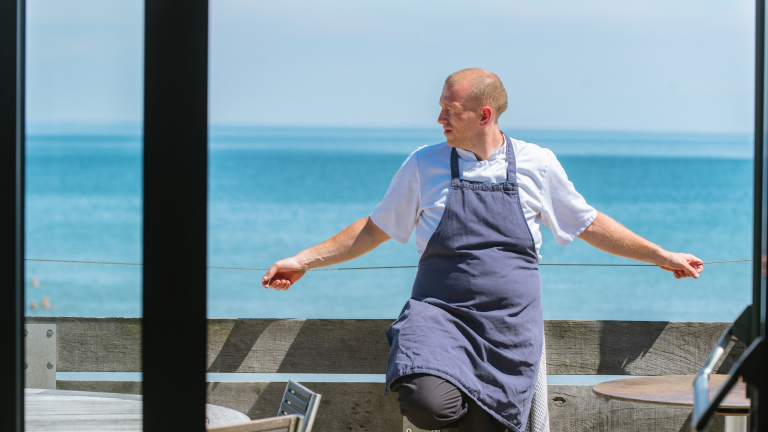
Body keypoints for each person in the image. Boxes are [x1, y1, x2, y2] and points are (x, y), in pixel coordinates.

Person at [261, 68, 703, 432]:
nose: (439, 119)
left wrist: (661, 256)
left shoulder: (537, 163)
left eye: (449, 111)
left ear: (484, 114)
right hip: (439, 316)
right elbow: (374, 228)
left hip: (508, 328)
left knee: (494, 422)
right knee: (426, 403)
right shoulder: (424, 163)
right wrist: (302, 260)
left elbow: (587, 223)